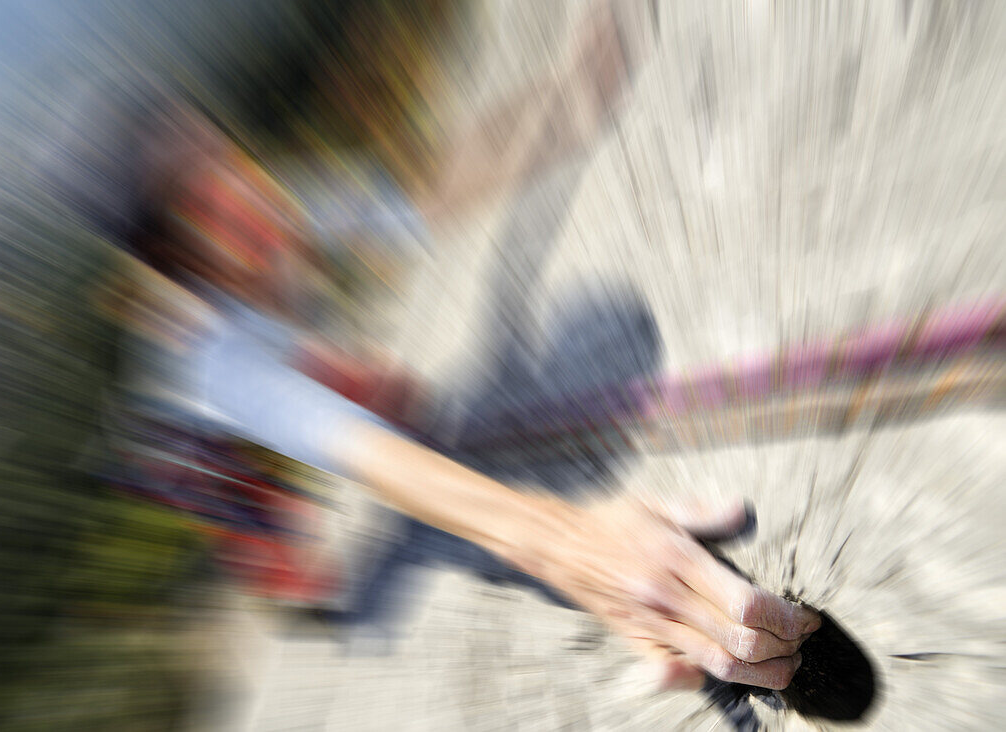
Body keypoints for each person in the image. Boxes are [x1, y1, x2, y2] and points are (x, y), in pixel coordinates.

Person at [70, 2, 820, 693]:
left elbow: (426, 191)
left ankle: (330, 383)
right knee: (297, 570)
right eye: (200, 207)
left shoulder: (274, 209)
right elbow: (371, 457)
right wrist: (572, 544)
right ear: (178, 262)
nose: (240, 198)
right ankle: (284, 578)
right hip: (192, 450)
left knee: (389, 396)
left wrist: (569, 95)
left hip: (265, 348)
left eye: (220, 156)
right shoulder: (219, 363)